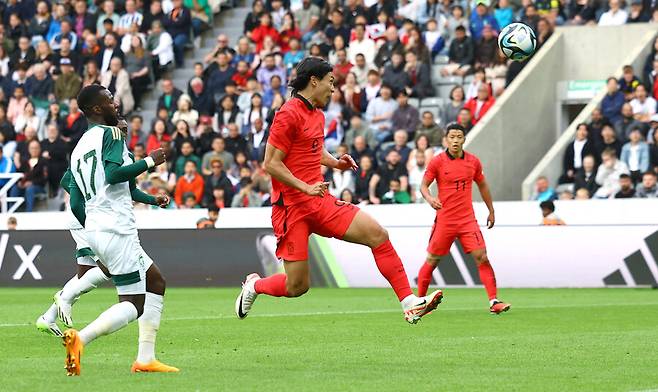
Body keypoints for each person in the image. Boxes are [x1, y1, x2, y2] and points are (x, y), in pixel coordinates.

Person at [235, 57, 442, 324]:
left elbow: (311, 148)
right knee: (297, 286)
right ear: (314, 81)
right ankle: (254, 286)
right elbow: (271, 163)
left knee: (377, 234)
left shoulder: (317, 114)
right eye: (330, 82)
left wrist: (335, 162)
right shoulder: (287, 114)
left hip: (320, 201)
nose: (333, 89)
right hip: (291, 208)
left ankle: (409, 302)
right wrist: (305, 187)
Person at [59, 84, 177, 374]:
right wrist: (150, 161)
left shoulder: (80, 148)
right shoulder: (111, 134)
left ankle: (146, 358)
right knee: (133, 303)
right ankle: (80, 339)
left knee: (156, 282)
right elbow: (113, 176)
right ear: (97, 109)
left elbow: (75, 200)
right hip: (117, 229)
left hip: (97, 229)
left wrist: (94, 234)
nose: (116, 104)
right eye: (110, 100)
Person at [35, 118, 166, 337]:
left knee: (87, 273)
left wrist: (154, 200)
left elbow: (130, 191)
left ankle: (49, 317)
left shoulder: (126, 156)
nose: (122, 132)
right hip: (91, 218)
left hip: (96, 220)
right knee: (107, 270)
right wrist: (91, 197)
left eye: (125, 129)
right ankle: (65, 299)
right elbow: (67, 180)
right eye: (119, 128)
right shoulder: (98, 148)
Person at [417, 123, 510, 314]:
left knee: (482, 257)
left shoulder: (473, 162)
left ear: (464, 139)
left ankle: (494, 301)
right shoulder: (437, 161)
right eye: (452, 137)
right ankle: (418, 304)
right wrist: (429, 198)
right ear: (446, 139)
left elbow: (483, 186)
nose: (455, 140)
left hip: (467, 220)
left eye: (459, 137)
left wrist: (491, 210)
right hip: (445, 220)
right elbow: (423, 186)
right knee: (432, 260)